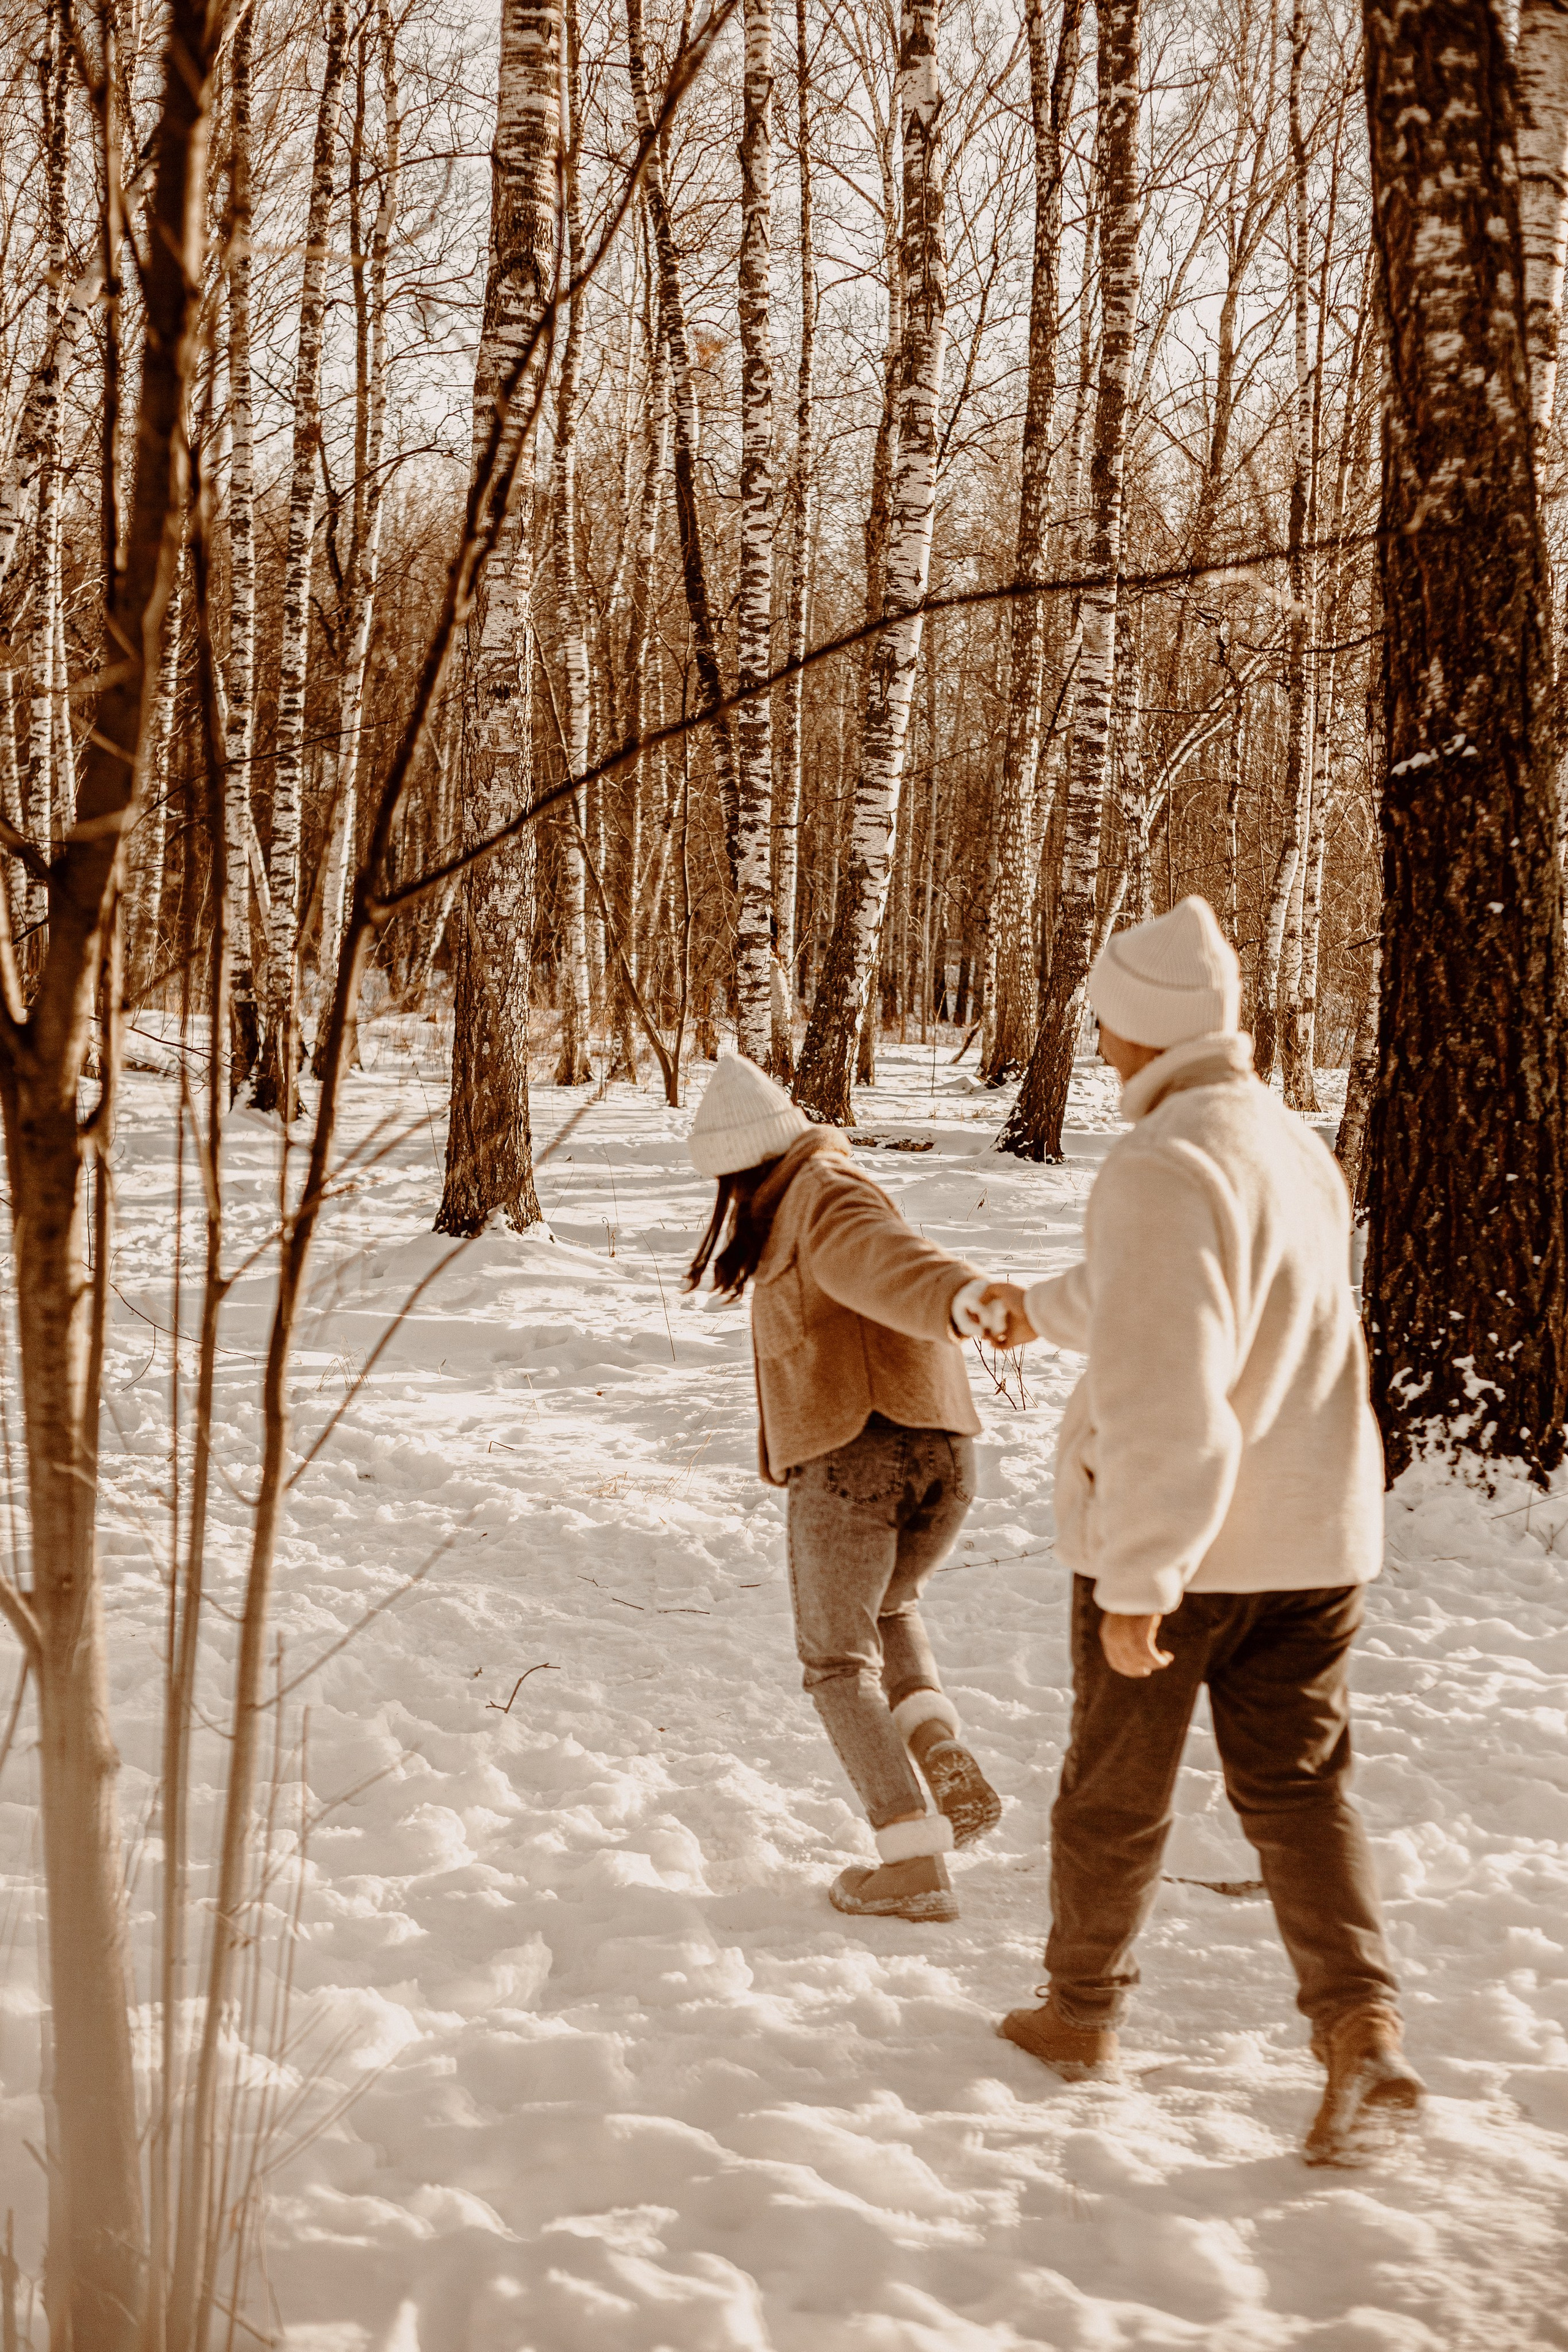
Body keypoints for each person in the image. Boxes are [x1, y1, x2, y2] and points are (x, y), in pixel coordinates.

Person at [981, 896, 1425, 2166]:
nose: (1101, 1042)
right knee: (1297, 1794)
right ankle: (1361, 2030)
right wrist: (1036, 1309)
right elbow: (1180, 1299)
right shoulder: (1286, 1146)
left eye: (1106, 1022)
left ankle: (1077, 2015)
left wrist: (1139, 1581)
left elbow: (1168, 1388)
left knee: (1110, 1795)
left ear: (1135, 1027)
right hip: (1316, 1541)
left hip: (1195, 1557)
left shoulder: (1158, 1165)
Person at [685, 1052, 1005, 1924]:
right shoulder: (819, 1185)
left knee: (834, 1661)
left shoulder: (823, 1193)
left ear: (746, 1166)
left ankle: (909, 1860)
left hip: (858, 1455)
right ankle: (936, 1746)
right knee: (890, 1608)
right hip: (940, 1455)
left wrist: (962, 1296)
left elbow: (885, 1258)